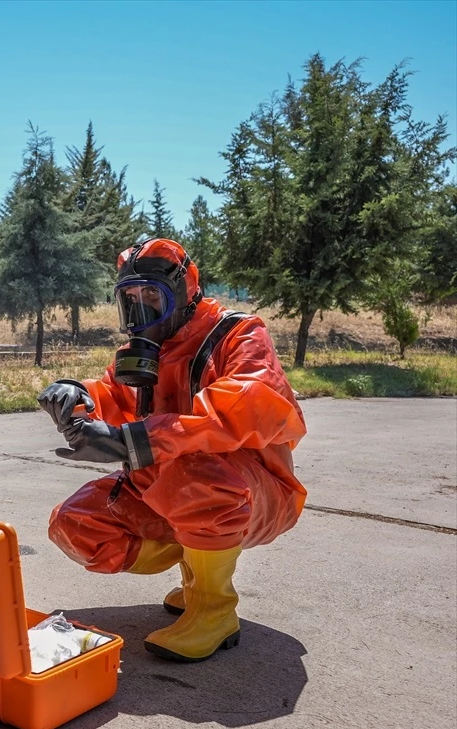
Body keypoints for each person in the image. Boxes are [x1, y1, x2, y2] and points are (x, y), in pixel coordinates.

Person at [39, 238, 307, 662]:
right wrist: (77, 394)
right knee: (75, 523)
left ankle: (214, 610)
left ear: (184, 291)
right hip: (170, 488)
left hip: (257, 494)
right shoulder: (144, 351)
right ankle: (198, 569)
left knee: (192, 477)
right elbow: (116, 395)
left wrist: (134, 441)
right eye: (130, 298)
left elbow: (248, 402)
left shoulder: (238, 334)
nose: (140, 308)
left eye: (151, 295)